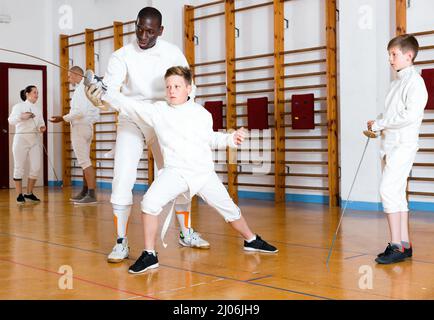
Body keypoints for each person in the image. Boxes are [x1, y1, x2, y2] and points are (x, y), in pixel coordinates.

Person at [86, 66, 278, 274]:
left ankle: (251, 240)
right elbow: (127, 104)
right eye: (168, 86)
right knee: (149, 204)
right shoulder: (157, 111)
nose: (171, 90)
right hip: (175, 172)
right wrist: (104, 91)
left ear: (189, 88)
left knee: (230, 211)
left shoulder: (202, 114)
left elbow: (210, 138)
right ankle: (149, 254)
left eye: (177, 86)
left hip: (203, 173)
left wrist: (231, 139)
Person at [92, 6, 209, 263]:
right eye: (139, 29)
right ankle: (121, 241)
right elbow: (110, 93)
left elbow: (189, 87)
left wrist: (180, 115)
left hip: (164, 117)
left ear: (160, 31)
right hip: (132, 118)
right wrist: (99, 98)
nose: (143, 36)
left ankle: (186, 231)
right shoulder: (121, 56)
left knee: (178, 173)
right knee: (122, 176)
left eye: (149, 31)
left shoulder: (171, 53)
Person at [366, 34, 428, 264]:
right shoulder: (396, 83)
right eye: (389, 55)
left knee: (388, 191)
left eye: (394, 54)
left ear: (409, 56)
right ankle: (404, 244)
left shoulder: (415, 82)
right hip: (389, 145)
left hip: (403, 145)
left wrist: (382, 123)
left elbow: (409, 115)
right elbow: (393, 114)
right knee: (397, 194)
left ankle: (395, 246)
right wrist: (378, 122)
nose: (390, 59)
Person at [49, 66, 100, 204]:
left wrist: (62, 118)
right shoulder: (89, 89)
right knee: (85, 161)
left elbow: (79, 112)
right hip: (88, 127)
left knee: (85, 162)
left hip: (80, 127)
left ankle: (92, 195)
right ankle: (85, 191)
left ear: (77, 75)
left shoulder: (79, 90)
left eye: (70, 76)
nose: (68, 78)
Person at [8, 85, 46, 204]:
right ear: (27, 94)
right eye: (35, 92)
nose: (37, 95)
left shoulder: (38, 109)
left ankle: (29, 193)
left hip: (34, 140)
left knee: (36, 167)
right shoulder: (18, 107)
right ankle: (19, 195)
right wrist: (22, 116)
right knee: (19, 167)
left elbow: (41, 124)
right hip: (21, 139)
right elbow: (11, 120)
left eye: (37, 93)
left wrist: (42, 128)